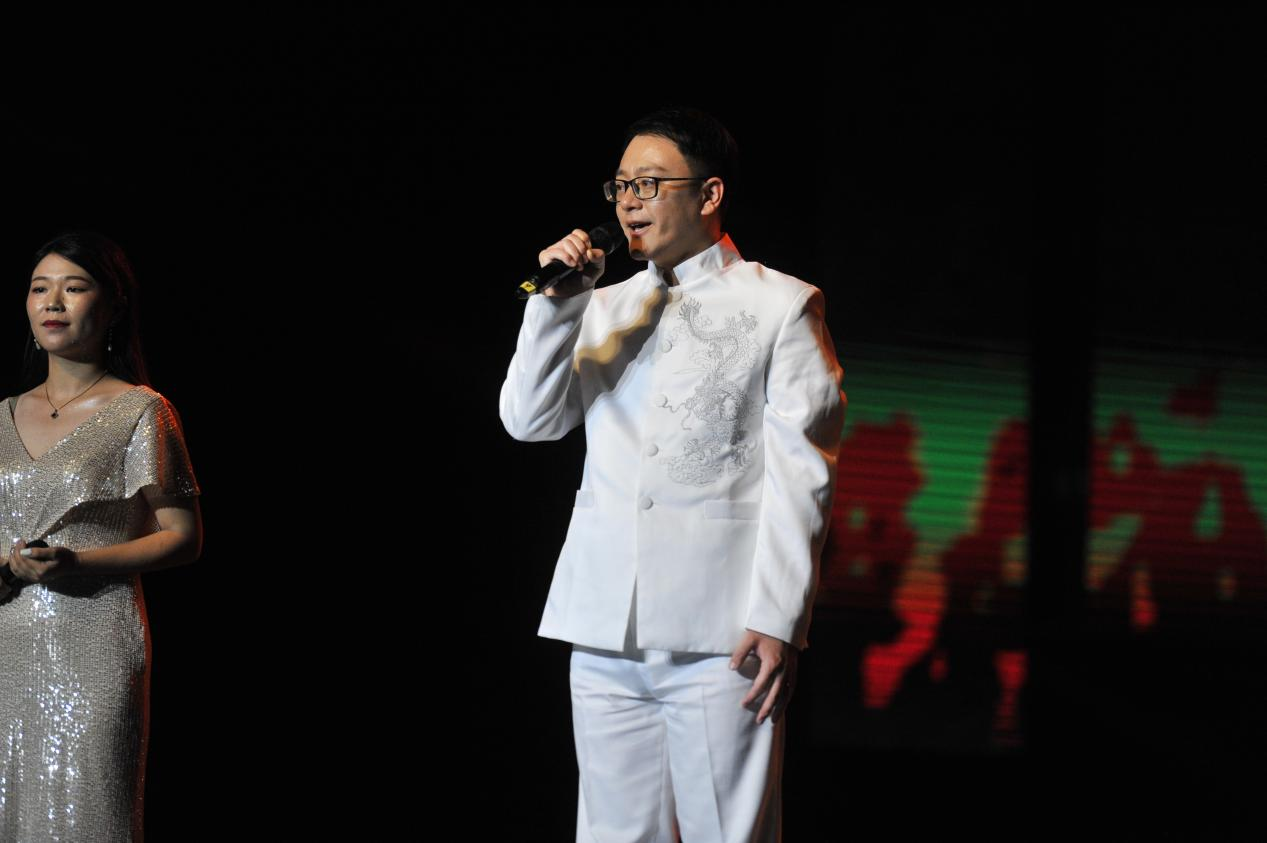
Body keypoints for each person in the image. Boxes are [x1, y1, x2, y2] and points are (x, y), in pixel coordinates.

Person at [500, 107, 847, 842]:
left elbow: (802, 475)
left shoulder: (780, 304)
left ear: (710, 193)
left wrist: (779, 617)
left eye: (650, 183)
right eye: (621, 185)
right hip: (603, 623)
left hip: (722, 632)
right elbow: (529, 421)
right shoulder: (599, 306)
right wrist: (555, 309)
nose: (630, 201)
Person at [0, 231, 203, 842]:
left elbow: (183, 536)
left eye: (74, 287)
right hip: (7, 641)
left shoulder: (142, 409)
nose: (52, 302)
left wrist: (75, 562)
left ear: (114, 305)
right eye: (39, 288)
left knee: (91, 815)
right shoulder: (2, 414)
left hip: (95, 642)